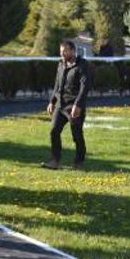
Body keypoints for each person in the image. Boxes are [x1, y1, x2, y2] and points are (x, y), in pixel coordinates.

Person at [44, 40, 91, 170]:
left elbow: (84, 87)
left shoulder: (82, 65)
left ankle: (79, 162)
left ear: (73, 51)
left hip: (74, 106)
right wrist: (52, 101)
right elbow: (57, 85)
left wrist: (78, 105)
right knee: (54, 131)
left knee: (77, 135)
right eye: (61, 52)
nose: (62, 54)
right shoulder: (60, 64)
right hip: (60, 105)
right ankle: (55, 160)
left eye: (65, 51)